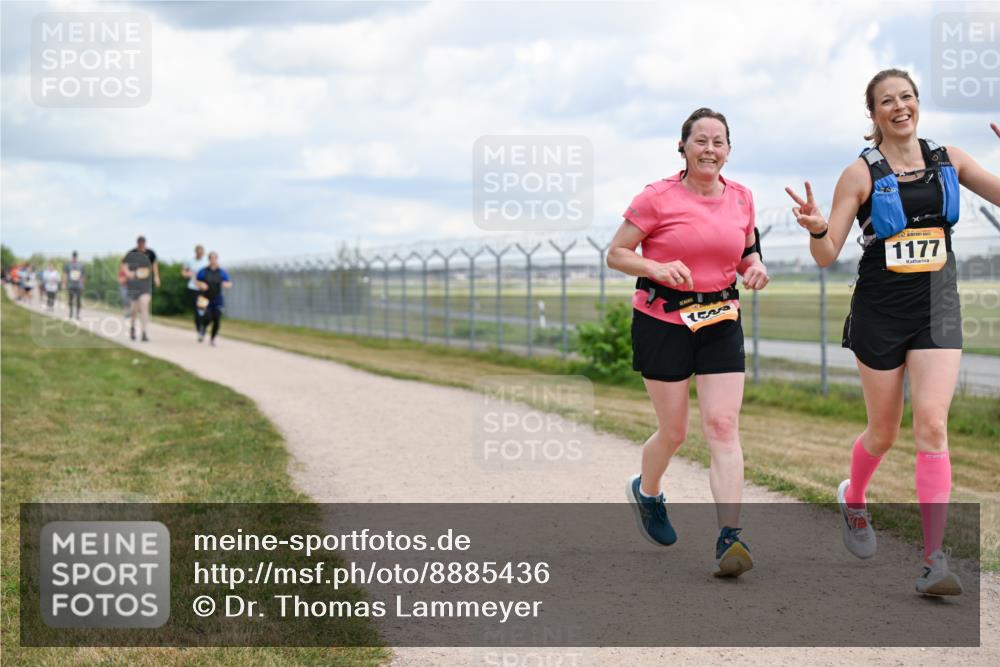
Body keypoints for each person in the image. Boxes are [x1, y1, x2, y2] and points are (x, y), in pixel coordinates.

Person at [785, 69, 1000, 596]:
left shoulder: (949, 158)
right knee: (884, 431)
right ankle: (854, 497)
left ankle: (934, 560)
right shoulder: (859, 175)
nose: (899, 107)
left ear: (917, 104)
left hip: (937, 307)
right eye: (887, 101)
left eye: (907, 97)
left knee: (932, 425)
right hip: (880, 312)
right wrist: (816, 227)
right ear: (873, 113)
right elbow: (826, 253)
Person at [608, 107, 769, 577]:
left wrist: (754, 267)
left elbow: (746, 251)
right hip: (662, 321)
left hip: (720, 319)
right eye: (700, 140)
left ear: (729, 150)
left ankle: (729, 539)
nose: (710, 149)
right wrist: (656, 268)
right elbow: (616, 254)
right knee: (674, 431)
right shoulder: (656, 198)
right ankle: (649, 491)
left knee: (722, 426)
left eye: (719, 142)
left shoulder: (742, 198)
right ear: (683, 147)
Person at [121, 235, 160, 342]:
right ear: (137, 243)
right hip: (133, 284)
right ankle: (133, 327)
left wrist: (156, 277)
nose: (142, 245)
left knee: (144, 306)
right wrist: (128, 274)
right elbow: (124, 265)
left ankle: (144, 332)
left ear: (145, 243)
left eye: (143, 243)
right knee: (134, 310)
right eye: (140, 243)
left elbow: (154, 265)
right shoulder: (131, 253)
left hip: (145, 285)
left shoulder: (150, 253)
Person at [195, 251, 233, 346]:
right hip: (204, 297)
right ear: (209, 259)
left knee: (217, 319)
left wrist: (226, 284)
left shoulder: (221, 272)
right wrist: (201, 284)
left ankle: (212, 339)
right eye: (211, 258)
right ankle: (203, 329)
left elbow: (229, 282)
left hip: (217, 298)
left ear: (217, 259)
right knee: (207, 317)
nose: (213, 260)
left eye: (215, 258)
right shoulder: (203, 271)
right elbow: (196, 282)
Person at [181, 244, 208, 337]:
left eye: (202, 253)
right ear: (195, 252)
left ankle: (203, 327)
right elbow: (183, 272)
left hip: (203, 289)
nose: (200, 254)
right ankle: (199, 329)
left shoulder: (206, 262)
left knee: (203, 308)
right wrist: (188, 274)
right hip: (192, 288)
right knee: (197, 310)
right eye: (198, 252)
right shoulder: (190, 261)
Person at [63, 251, 85, 320]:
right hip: (71, 285)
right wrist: (64, 283)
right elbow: (65, 274)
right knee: (70, 300)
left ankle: (77, 314)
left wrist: (82, 284)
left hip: (78, 285)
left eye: (75, 257)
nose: (74, 258)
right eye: (73, 257)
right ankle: (71, 313)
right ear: (72, 257)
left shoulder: (81, 265)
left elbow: (82, 276)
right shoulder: (68, 265)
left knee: (78, 300)